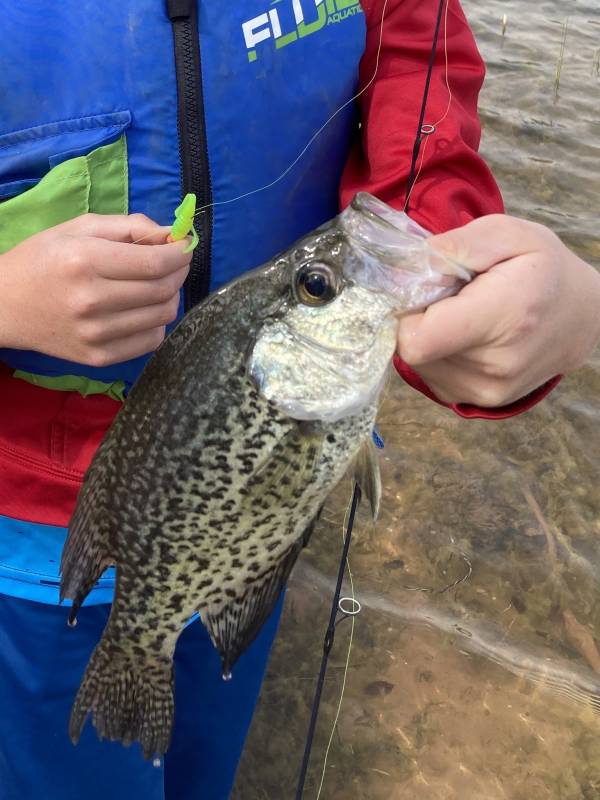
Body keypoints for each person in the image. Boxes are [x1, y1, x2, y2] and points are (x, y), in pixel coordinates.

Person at [0, 1, 598, 798]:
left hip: (260, 517)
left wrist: (507, 294)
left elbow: (421, 144)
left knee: (203, 772)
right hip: (29, 539)